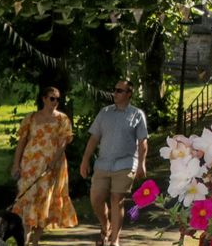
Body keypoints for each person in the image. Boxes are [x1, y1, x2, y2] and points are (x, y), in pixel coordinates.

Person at [79, 78, 149, 246]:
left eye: (119, 90)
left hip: (125, 164)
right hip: (103, 164)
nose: (115, 93)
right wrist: (85, 160)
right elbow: (94, 138)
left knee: (116, 198)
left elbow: (143, 142)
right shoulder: (104, 112)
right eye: (114, 89)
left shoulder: (137, 114)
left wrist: (141, 164)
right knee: (96, 198)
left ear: (129, 94)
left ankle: (114, 240)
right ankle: (105, 226)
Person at [9, 86, 78, 246]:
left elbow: (62, 144)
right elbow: (21, 143)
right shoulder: (31, 118)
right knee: (27, 198)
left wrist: (53, 162)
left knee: (45, 200)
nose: (55, 102)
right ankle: (25, 239)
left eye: (58, 99)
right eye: (52, 98)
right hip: (30, 164)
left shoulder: (62, 119)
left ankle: (36, 240)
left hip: (51, 166)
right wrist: (16, 164)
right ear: (44, 99)